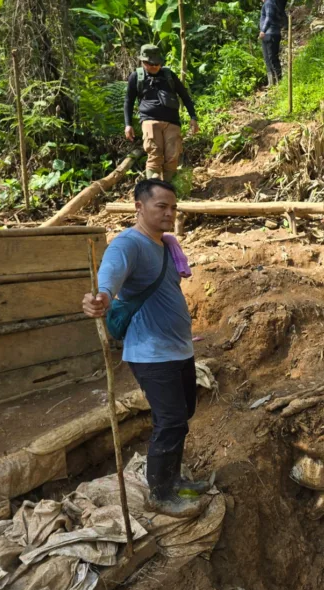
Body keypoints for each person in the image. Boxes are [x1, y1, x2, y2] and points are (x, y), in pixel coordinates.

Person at [82, 179, 209, 518]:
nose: (169, 213)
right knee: (169, 422)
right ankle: (160, 494)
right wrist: (102, 297)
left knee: (182, 416)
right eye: (161, 206)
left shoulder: (166, 244)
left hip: (178, 348)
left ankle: (175, 477)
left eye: (173, 207)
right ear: (139, 207)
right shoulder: (129, 244)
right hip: (151, 352)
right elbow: (110, 276)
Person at [124, 44, 199, 181]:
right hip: (150, 121)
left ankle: (168, 188)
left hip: (172, 122)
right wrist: (128, 124)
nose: (154, 66)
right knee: (154, 153)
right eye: (150, 64)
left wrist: (193, 117)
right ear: (143, 62)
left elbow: (185, 96)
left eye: (157, 63)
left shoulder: (169, 75)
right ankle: (152, 190)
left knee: (173, 155)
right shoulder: (136, 77)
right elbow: (128, 101)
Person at [259, 0, 288, 86]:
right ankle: (271, 83)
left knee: (272, 58)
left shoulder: (269, 3)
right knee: (267, 58)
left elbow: (269, 17)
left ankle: (279, 81)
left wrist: (263, 30)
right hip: (267, 34)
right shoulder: (269, 3)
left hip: (271, 34)